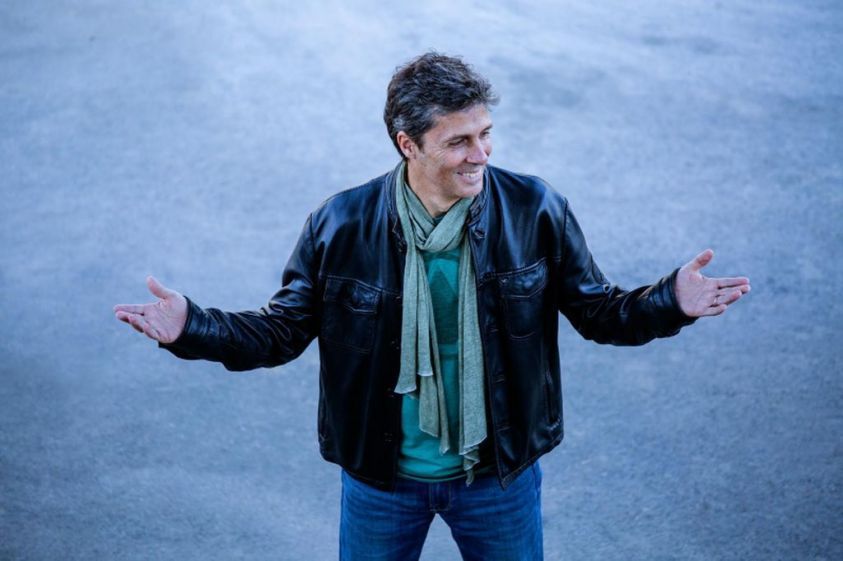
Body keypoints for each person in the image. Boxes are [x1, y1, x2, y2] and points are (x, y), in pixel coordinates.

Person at [114, 52, 750, 561]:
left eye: (485, 134)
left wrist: (672, 300)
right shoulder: (340, 224)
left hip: (497, 475)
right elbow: (280, 331)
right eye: (459, 141)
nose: (481, 154)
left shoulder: (535, 210)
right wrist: (191, 325)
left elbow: (600, 312)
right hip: (381, 479)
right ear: (407, 144)